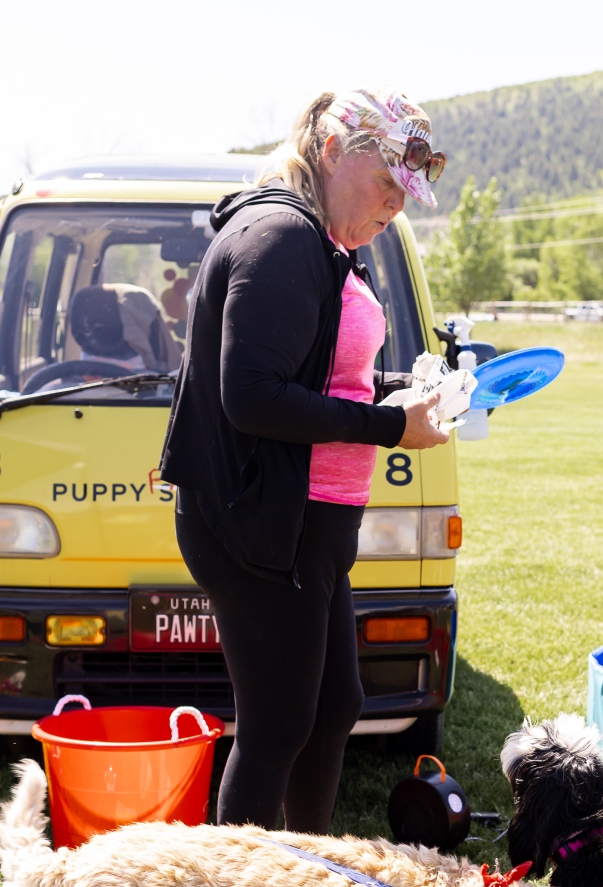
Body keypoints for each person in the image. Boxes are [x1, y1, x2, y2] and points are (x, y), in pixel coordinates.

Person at [158, 89, 448, 835]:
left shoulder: (326, 243)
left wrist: (407, 391)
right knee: (278, 724)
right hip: (264, 524)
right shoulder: (281, 236)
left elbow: (319, 376)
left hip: (310, 522)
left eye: (406, 193)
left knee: (331, 707)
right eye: (385, 183)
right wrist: (391, 425)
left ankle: (309, 868)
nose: (396, 205)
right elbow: (252, 395)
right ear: (332, 152)